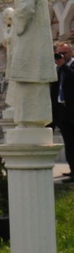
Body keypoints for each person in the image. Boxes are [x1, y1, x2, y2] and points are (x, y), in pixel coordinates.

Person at [7, 0, 56, 126]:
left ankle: (28, 120)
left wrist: (11, 14)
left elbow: (25, 12)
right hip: (35, 46)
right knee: (32, 85)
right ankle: (30, 120)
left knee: (27, 82)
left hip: (30, 47)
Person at [51, 42, 74, 183]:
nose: (61, 56)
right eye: (58, 53)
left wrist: (63, 66)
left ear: (71, 52)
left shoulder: (69, 67)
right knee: (69, 143)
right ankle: (72, 170)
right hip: (62, 112)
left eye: (63, 53)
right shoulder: (59, 69)